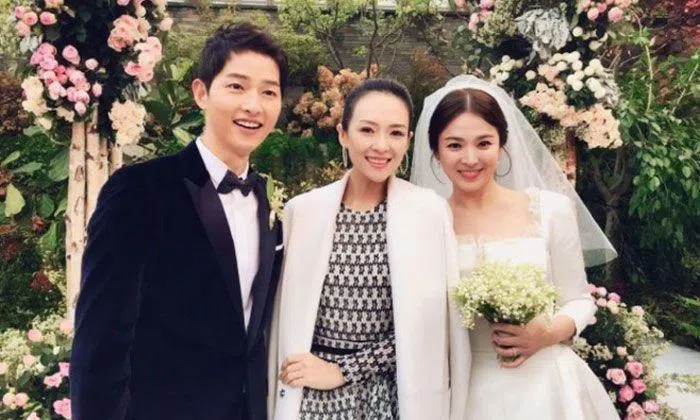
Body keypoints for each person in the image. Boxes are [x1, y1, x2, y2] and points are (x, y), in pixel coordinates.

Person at [70, 23, 287, 420]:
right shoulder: (139, 190)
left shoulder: (265, 200)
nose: (253, 105)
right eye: (236, 86)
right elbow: (100, 341)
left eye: (268, 92)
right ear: (201, 92)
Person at [411, 75, 619, 419]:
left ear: (502, 144)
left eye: (483, 143)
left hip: (547, 387)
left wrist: (546, 334)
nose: (470, 158)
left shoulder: (549, 210)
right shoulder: (427, 225)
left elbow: (580, 300)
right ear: (435, 151)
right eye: (454, 145)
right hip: (468, 391)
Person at [269, 79, 458, 420]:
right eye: (367, 130)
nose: (381, 146)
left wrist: (345, 370)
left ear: (408, 141)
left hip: (391, 395)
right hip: (312, 397)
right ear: (343, 134)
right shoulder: (303, 211)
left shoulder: (427, 212)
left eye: (395, 133)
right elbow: (283, 315)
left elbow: (432, 324)